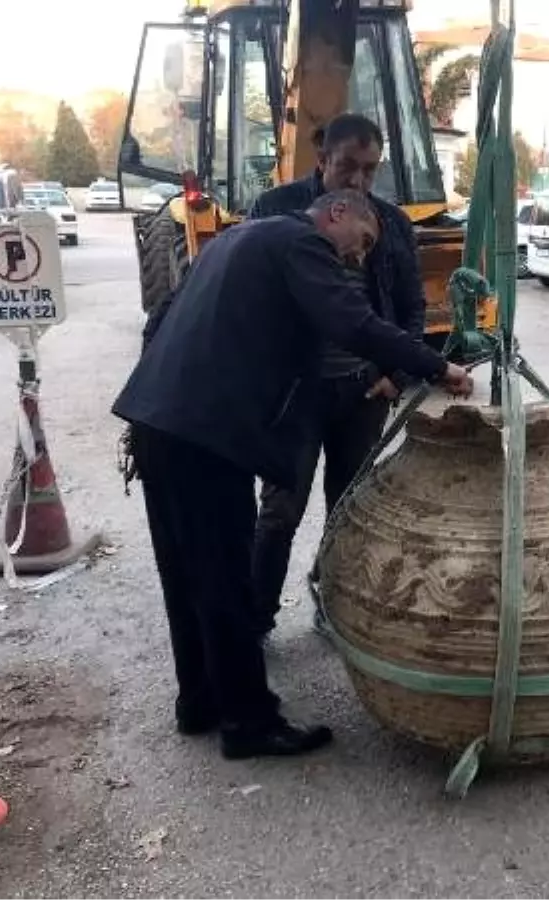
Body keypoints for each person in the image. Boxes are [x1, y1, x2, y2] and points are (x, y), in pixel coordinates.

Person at [112, 189, 473, 759]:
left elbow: (161, 318)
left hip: (157, 420)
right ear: (336, 215)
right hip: (207, 433)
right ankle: (249, 723)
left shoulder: (231, 240)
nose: (359, 258)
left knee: (186, 574)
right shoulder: (301, 244)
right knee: (227, 577)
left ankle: (201, 702)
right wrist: (438, 365)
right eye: (364, 240)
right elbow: (352, 322)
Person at [247, 113, 426, 639]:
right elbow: (254, 299)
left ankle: (335, 604)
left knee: (349, 507)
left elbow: (412, 309)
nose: (359, 181)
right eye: (348, 166)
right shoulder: (277, 209)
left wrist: (393, 373)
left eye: (370, 170)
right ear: (322, 159)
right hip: (295, 392)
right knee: (280, 510)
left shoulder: (393, 223)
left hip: (363, 393)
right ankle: (256, 621)